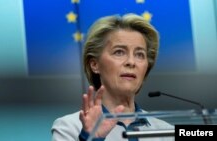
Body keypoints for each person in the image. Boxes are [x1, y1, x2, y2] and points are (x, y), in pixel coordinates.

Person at [51, 13, 174, 141]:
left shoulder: (167, 132)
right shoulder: (69, 127)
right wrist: (92, 139)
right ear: (95, 64)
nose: (131, 62)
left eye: (139, 54)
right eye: (119, 52)